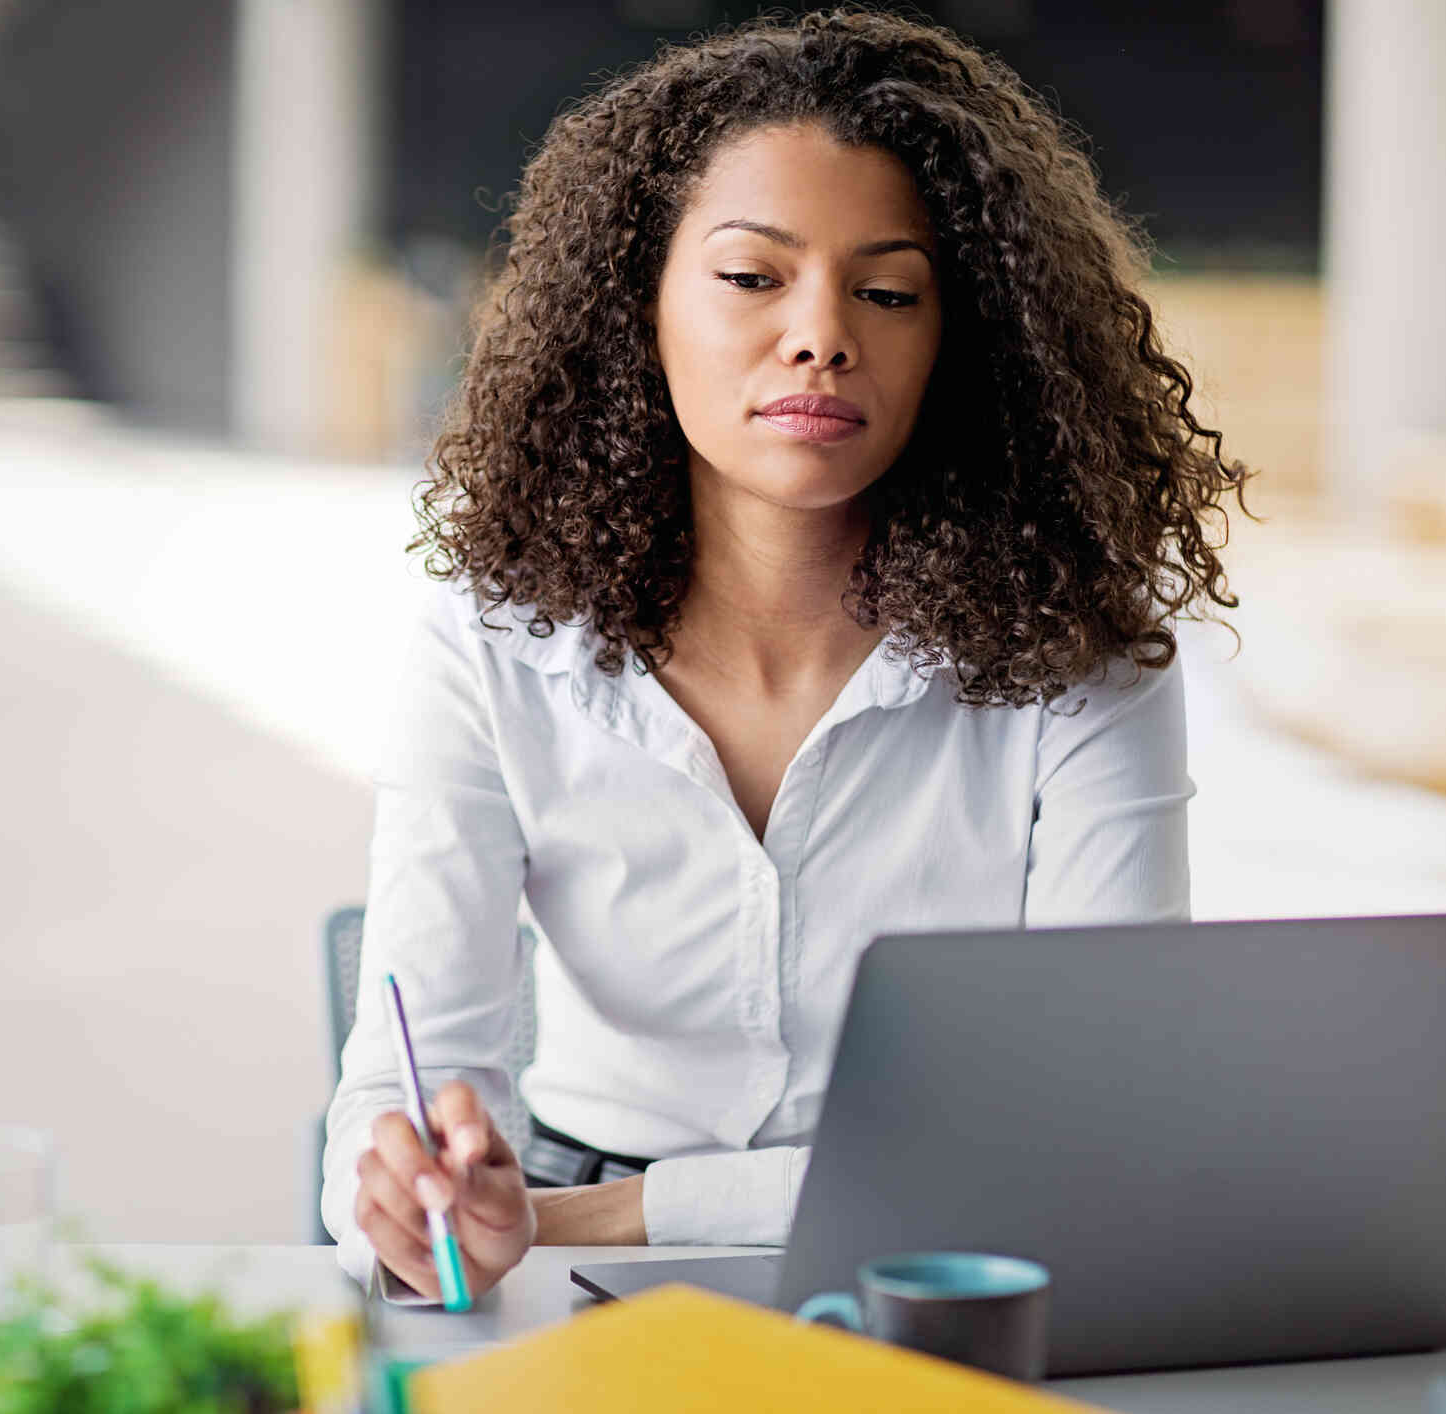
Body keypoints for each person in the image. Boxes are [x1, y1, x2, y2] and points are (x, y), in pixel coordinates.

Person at [321, 9, 1252, 1304]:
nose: (820, 334)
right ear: (631, 304)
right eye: (752, 277)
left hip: (945, 1254)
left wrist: (606, 1211)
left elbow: (1097, 1117)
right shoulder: (495, 645)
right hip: (560, 1242)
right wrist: (412, 1196)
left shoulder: (1077, 655)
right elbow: (395, 1091)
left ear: (962, 340)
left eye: (886, 291)